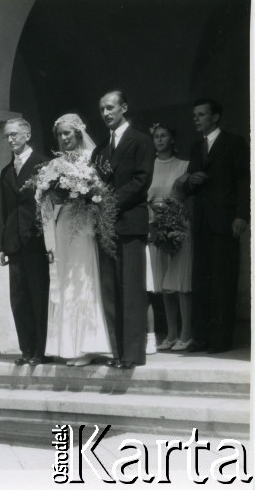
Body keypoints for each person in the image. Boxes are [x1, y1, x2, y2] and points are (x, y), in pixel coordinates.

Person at [92, 91, 155, 369]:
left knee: (130, 290)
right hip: (107, 227)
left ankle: (131, 354)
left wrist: (108, 203)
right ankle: (117, 353)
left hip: (130, 224)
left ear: (123, 108)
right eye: (102, 110)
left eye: (110, 108)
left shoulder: (141, 141)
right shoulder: (101, 149)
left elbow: (141, 180)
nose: (106, 113)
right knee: (110, 291)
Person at [44, 114, 111, 366]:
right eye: (60, 134)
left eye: (68, 133)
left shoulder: (91, 159)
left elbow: (101, 193)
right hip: (63, 225)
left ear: (79, 133)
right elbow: (48, 199)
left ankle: (88, 345)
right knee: (65, 278)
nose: (64, 139)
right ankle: (69, 346)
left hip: (83, 225)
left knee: (83, 278)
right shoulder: (56, 163)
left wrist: (83, 190)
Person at [184, 99, 250, 353]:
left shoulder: (233, 143)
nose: (196, 119)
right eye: (194, 115)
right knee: (202, 282)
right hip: (201, 223)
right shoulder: (195, 147)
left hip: (225, 222)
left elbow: (245, 180)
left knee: (223, 281)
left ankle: (220, 340)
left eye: (201, 114)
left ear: (215, 117)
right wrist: (192, 179)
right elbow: (189, 184)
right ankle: (201, 338)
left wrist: (242, 215)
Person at [0, 117, 50, 366]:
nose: (10, 139)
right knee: (18, 298)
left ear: (27, 135)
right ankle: (26, 349)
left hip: (36, 240)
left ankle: (40, 350)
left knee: (38, 294)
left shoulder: (43, 165)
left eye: (14, 134)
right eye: (7, 135)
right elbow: (4, 211)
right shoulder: (6, 172)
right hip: (14, 242)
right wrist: (0, 245)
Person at [148, 123, 193, 352]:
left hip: (179, 227)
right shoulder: (149, 166)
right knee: (166, 285)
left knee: (181, 282)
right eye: (156, 136)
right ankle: (172, 333)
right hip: (157, 227)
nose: (159, 140)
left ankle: (187, 333)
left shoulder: (184, 165)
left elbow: (187, 198)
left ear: (172, 139)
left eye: (164, 135)